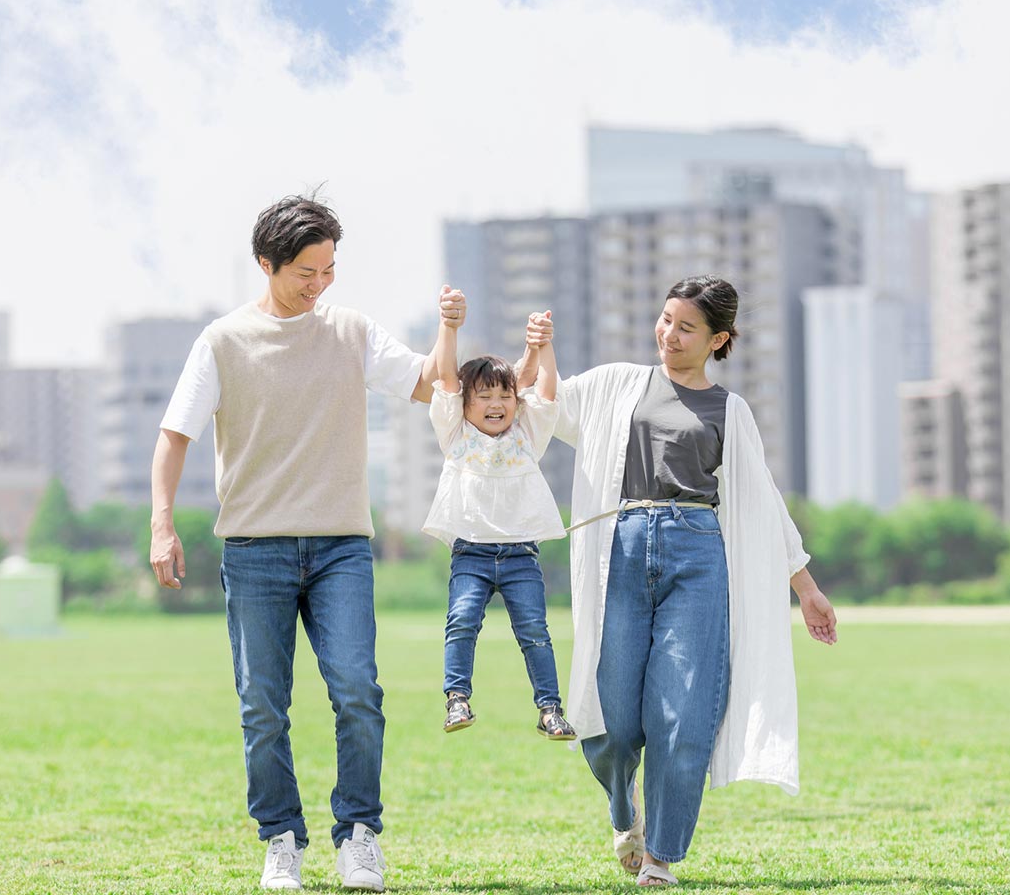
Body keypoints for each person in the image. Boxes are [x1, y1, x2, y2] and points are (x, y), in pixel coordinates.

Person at [150, 194, 465, 892]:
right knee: (263, 704)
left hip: (340, 548)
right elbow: (174, 437)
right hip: (254, 550)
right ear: (266, 264)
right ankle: (282, 840)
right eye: (304, 272)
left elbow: (429, 383)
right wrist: (162, 522)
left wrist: (449, 329)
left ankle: (359, 835)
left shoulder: (349, 331)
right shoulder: (223, 341)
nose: (319, 285)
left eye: (328, 270)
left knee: (357, 687)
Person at [533, 275, 837, 887]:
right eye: (666, 319)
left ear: (718, 339)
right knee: (612, 717)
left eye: (686, 327)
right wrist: (541, 350)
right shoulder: (619, 383)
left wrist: (805, 587)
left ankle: (661, 858)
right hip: (618, 549)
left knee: (684, 713)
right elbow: (548, 407)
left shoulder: (729, 410)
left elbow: (761, 501)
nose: (669, 334)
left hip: (698, 557)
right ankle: (624, 811)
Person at [420, 290, 576, 741]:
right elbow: (447, 378)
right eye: (483, 394)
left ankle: (549, 709)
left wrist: (542, 344)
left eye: (504, 394)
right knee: (462, 621)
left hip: (520, 555)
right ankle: (457, 699)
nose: (496, 403)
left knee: (534, 632)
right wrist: (449, 327)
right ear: (465, 404)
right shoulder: (456, 434)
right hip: (470, 553)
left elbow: (543, 390)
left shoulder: (527, 434)